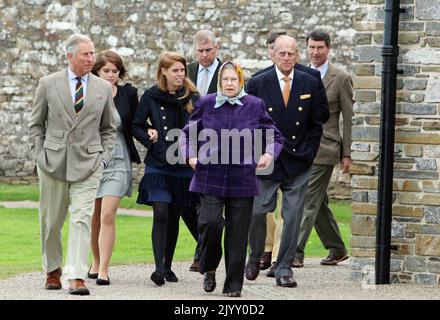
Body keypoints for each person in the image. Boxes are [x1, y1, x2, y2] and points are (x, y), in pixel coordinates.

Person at [181, 61, 284, 297]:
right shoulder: (206, 103)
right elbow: (187, 135)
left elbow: (274, 136)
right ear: (220, 82)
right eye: (225, 79)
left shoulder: (255, 105)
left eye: (233, 80)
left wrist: (269, 153)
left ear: (241, 81)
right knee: (210, 223)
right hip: (209, 176)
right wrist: (191, 156)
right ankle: (208, 267)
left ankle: (233, 286)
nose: (229, 83)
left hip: (242, 179)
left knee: (238, 234)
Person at [28, 34, 116, 295]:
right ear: (70, 56)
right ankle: (52, 269)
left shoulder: (102, 88)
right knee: (51, 222)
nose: (91, 58)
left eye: (92, 53)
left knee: (81, 219)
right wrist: (39, 156)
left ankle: (76, 275)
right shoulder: (47, 84)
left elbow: (109, 128)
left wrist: (103, 157)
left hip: (89, 163)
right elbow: (35, 124)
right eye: (85, 54)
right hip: (52, 161)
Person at [245, 34, 323, 288]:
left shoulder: (310, 82)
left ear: (297, 55)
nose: (287, 58)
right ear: (273, 54)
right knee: (257, 211)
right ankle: (255, 257)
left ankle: (284, 267)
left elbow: (318, 120)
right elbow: (248, 122)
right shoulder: (258, 82)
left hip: (299, 161)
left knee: (292, 216)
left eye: (291, 53)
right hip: (266, 160)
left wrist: (310, 151)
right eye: (282, 53)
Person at [131, 52, 199, 286]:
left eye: (182, 70)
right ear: (163, 71)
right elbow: (136, 125)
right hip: (159, 163)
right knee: (160, 211)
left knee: (173, 216)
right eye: (175, 71)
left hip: (183, 165)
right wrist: (150, 137)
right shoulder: (151, 95)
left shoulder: (192, 96)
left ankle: (168, 267)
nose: (180, 75)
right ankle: (158, 269)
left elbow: (204, 126)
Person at [293, 30, 353, 268]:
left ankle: (293, 252)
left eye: (320, 47)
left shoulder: (341, 77)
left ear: (328, 48)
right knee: (318, 202)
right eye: (311, 47)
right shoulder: (298, 73)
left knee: (307, 198)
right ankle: (337, 248)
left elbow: (348, 118)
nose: (315, 52)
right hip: (299, 147)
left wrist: (347, 153)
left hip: (326, 147)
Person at [88, 50, 141, 285]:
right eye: (106, 71)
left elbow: (137, 121)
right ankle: (95, 262)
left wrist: (149, 131)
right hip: (91, 158)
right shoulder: (87, 91)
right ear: (97, 71)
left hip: (119, 157)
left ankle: (104, 270)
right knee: (94, 216)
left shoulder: (128, 93)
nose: (111, 76)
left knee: (108, 213)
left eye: (115, 71)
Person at [184, 29, 223, 272]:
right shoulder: (186, 71)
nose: (205, 55)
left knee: (207, 202)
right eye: (200, 51)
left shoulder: (227, 72)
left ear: (216, 48)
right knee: (189, 202)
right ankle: (204, 244)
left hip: (219, 143)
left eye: (209, 50)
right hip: (191, 141)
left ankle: (202, 254)